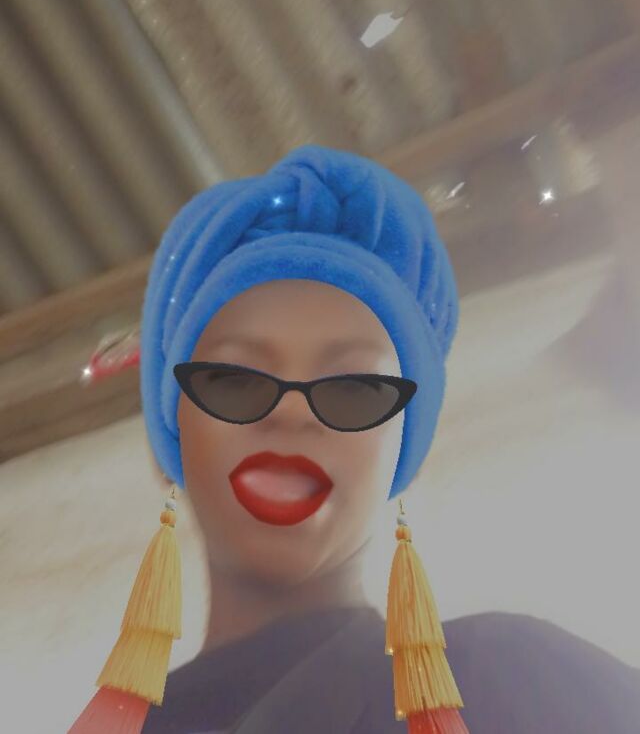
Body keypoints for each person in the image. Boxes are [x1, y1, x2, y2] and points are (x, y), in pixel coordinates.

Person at [136, 145, 639, 733]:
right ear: (167, 444)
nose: (293, 413)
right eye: (233, 379)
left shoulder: (515, 683)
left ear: (405, 453)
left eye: (355, 388)